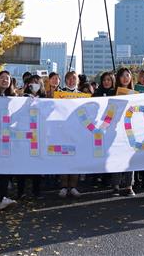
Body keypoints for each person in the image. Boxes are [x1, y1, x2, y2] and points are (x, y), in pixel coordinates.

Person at [0, 71, 18, 209]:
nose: (5, 80)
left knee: (6, 168)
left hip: (8, 138)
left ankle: (2, 197)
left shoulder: (14, 98)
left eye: (7, 78)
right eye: (2, 78)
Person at [17, 75, 45, 199]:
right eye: (32, 83)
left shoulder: (45, 99)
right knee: (22, 164)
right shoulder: (22, 98)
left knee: (37, 166)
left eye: (37, 82)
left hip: (38, 136)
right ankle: (20, 191)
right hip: (24, 135)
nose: (34, 85)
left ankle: (36, 191)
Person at [111, 68, 136, 197]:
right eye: (122, 76)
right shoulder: (113, 93)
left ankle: (128, 185)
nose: (125, 78)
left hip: (131, 129)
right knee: (117, 157)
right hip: (116, 130)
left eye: (128, 75)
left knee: (130, 157)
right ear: (118, 78)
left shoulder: (137, 93)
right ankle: (115, 185)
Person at [58, 70, 82, 198]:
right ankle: (63, 187)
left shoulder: (83, 96)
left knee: (75, 161)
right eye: (69, 78)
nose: (71, 81)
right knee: (64, 160)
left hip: (77, 132)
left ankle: (73, 187)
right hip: (62, 131)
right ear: (65, 80)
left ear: (77, 81)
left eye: (74, 78)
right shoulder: (59, 94)